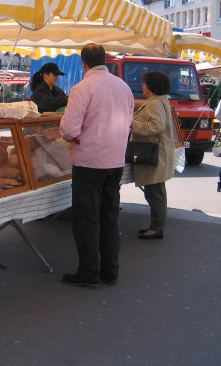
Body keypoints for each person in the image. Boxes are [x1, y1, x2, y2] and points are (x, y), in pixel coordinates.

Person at [59, 43, 134, 287]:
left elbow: (69, 129)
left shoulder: (82, 88)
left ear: (84, 63)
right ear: (105, 60)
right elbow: (129, 122)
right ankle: (110, 270)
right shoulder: (124, 88)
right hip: (115, 161)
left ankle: (89, 271)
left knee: (86, 218)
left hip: (89, 162)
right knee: (109, 217)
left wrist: (72, 136)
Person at [130, 71, 175, 240]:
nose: (142, 86)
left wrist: (131, 123)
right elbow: (142, 105)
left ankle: (156, 228)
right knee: (157, 191)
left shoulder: (155, 103)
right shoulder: (158, 100)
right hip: (160, 153)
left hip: (153, 153)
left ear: (151, 86)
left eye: (144, 83)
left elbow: (155, 127)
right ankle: (157, 226)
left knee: (154, 192)